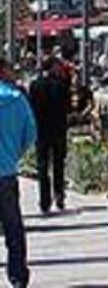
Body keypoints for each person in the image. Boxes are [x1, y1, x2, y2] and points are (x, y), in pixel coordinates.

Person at [0, 56, 35, 288]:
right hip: (7, 173)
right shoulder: (17, 99)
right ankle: (18, 276)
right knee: (13, 227)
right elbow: (30, 134)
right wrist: (14, 154)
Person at [27, 56, 70, 215]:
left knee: (42, 166)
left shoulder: (35, 85)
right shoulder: (62, 85)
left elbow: (31, 108)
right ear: (52, 67)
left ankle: (44, 201)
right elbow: (67, 107)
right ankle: (59, 196)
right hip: (58, 130)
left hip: (41, 130)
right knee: (58, 164)